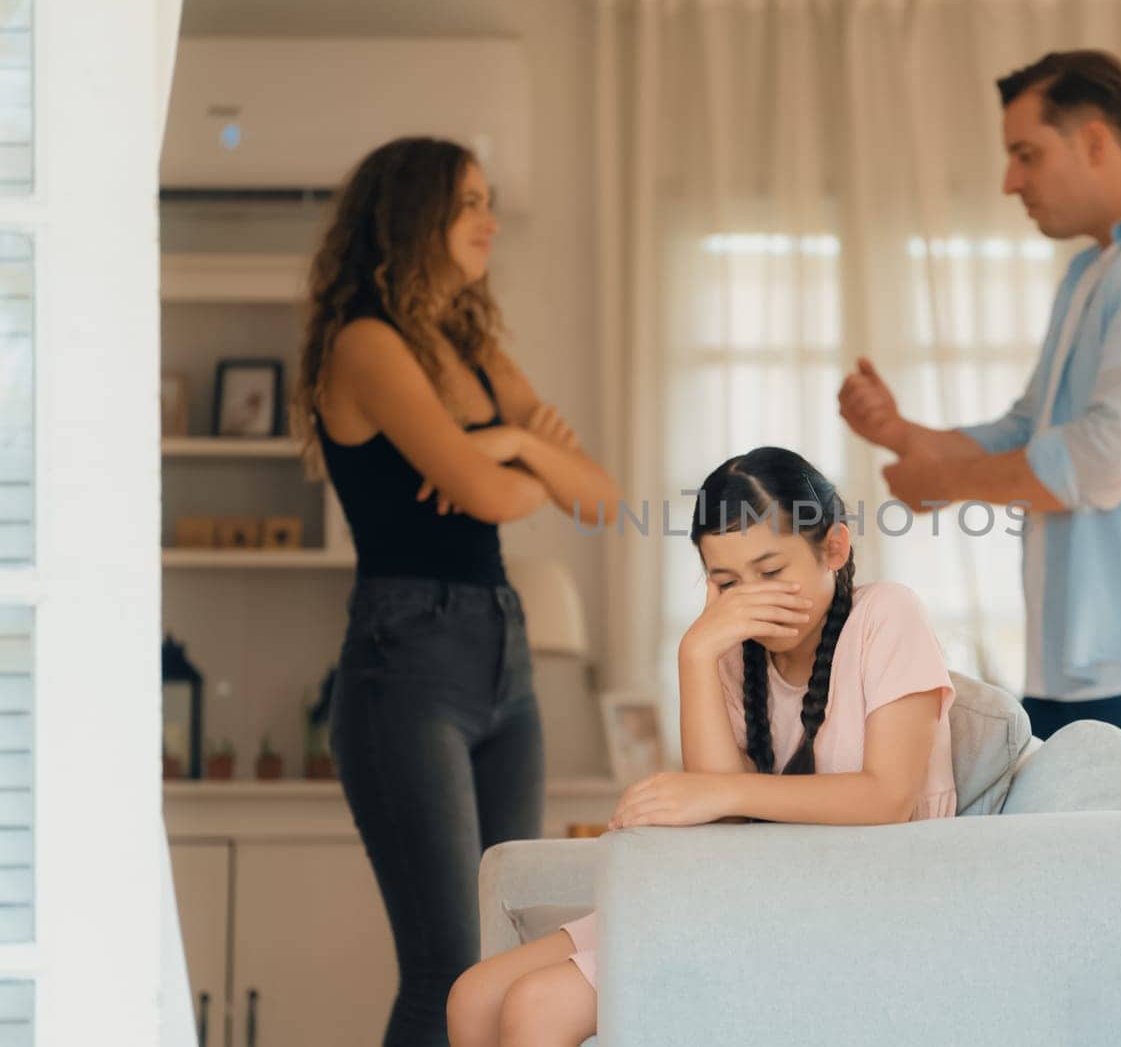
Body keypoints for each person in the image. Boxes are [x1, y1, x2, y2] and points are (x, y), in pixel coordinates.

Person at [837, 49, 1121, 1047]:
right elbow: (1032, 428)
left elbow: (1106, 457)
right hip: (1082, 664)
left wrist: (943, 478)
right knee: (1095, 935)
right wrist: (909, 440)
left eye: (1027, 153)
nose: (1010, 180)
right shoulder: (1096, 271)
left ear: (1096, 138)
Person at [445, 446, 956, 1047]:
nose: (750, 599)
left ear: (835, 549)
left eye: (771, 572)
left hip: (852, 899)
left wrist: (717, 790)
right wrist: (695, 653)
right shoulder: (732, 651)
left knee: (539, 1006)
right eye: (726, 582)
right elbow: (728, 818)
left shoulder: (886, 615)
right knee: (474, 996)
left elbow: (888, 799)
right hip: (746, 885)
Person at [292, 136, 621, 1047]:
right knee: (446, 964)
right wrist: (511, 466)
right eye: (468, 202)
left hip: (502, 657)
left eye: (489, 201)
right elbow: (486, 498)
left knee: (496, 943)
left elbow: (597, 496)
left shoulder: (468, 350)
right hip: (407, 662)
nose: (490, 221)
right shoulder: (367, 342)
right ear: (413, 215)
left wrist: (508, 445)